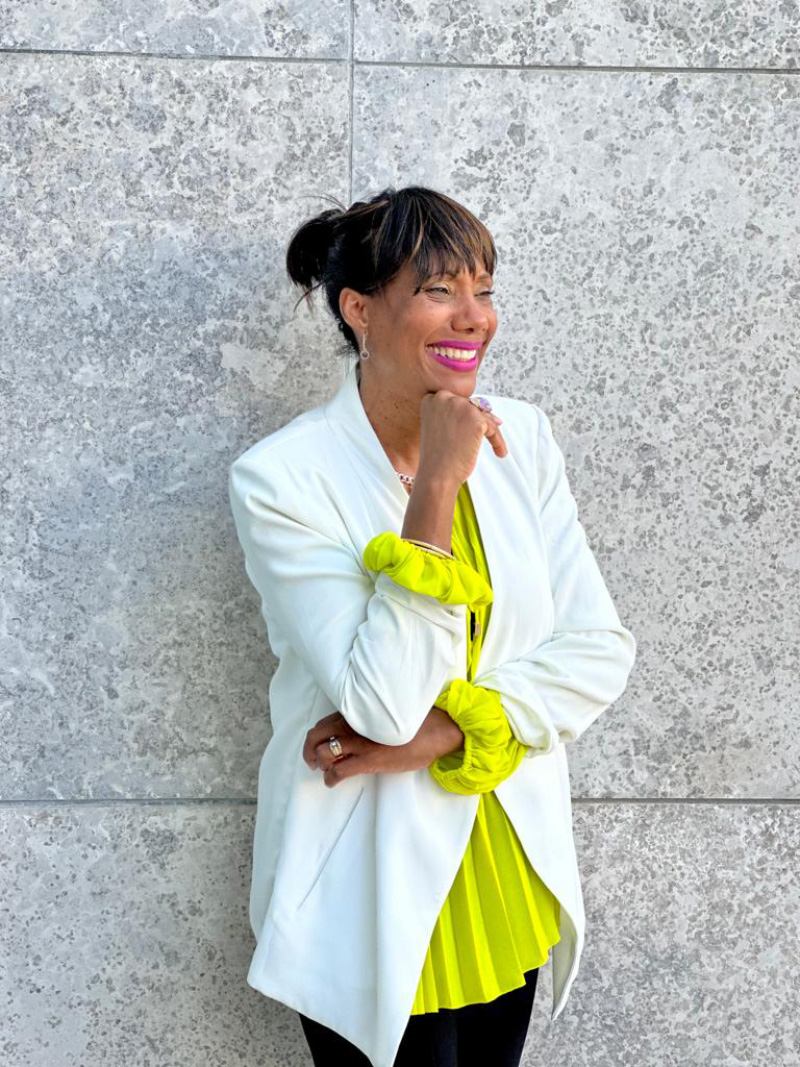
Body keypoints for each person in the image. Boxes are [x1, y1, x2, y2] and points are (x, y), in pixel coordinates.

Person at [228, 186, 637, 1067]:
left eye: (483, 290)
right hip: (367, 876)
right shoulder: (281, 479)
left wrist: (449, 730)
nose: (473, 317)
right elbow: (379, 706)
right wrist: (438, 488)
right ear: (359, 309)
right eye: (439, 289)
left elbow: (598, 649)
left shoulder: (523, 439)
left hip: (504, 861)